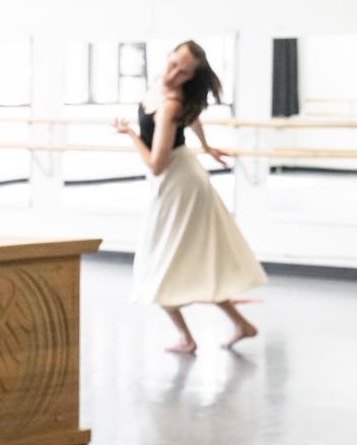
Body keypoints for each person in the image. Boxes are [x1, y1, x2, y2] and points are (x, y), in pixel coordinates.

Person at [113, 41, 266, 354]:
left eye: (182, 72)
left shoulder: (171, 102)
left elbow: (157, 164)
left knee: (158, 265)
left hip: (179, 185)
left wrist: (129, 134)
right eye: (172, 64)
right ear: (167, 56)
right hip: (179, 180)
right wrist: (206, 145)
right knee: (187, 264)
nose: (173, 73)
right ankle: (238, 325)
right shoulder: (162, 84)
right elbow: (192, 117)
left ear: (190, 78)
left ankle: (187, 338)